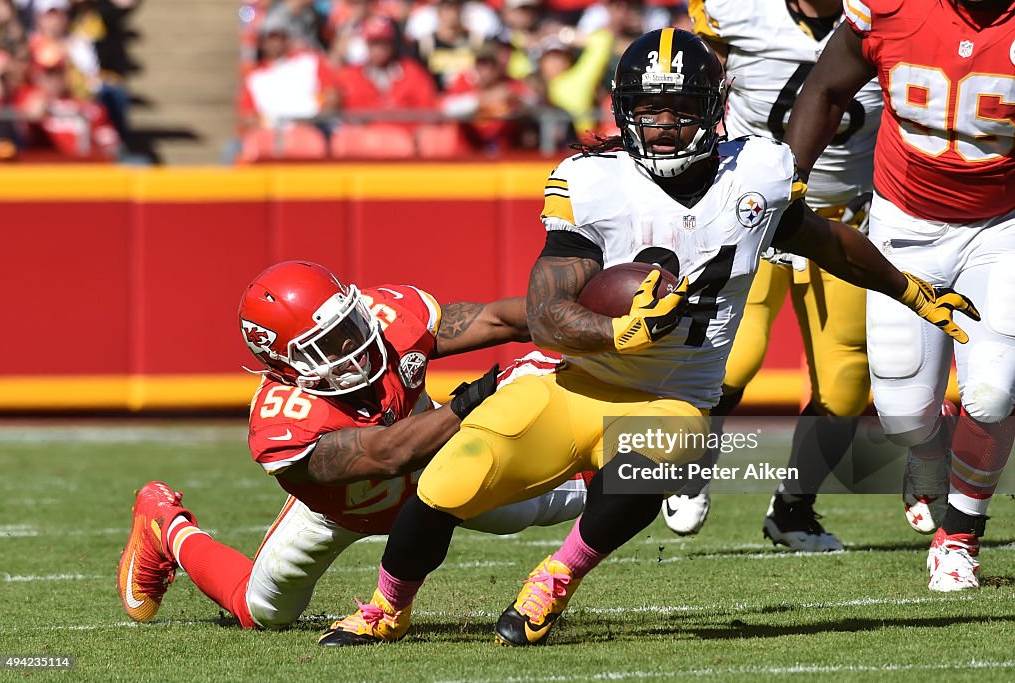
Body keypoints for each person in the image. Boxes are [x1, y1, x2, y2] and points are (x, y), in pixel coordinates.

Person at [316, 28, 979, 647]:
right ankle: (387, 606)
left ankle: (555, 577)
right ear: (624, 110)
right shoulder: (593, 181)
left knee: (663, 453)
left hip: (675, 392)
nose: (663, 124)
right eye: (649, 108)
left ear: (713, 109)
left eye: (680, 107)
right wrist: (616, 329)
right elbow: (548, 312)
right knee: (449, 480)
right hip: (573, 380)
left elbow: (828, 244)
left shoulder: (758, 174)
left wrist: (909, 288)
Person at [117, 260, 588, 629]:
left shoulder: (389, 322)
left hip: (437, 472)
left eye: (349, 327)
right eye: (328, 345)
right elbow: (387, 454)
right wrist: (487, 391)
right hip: (338, 511)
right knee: (260, 610)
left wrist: (581, 321)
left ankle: (652, 462)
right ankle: (165, 526)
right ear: (282, 362)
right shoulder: (285, 420)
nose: (353, 347)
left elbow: (493, 320)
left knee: (551, 500)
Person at [784, 0, 1015, 591]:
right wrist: (790, 182)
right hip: (903, 223)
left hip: (1003, 225)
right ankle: (929, 445)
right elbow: (826, 88)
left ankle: (960, 538)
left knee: (993, 391)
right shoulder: (891, 8)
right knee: (903, 414)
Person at [661, 0, 883, 551]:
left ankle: (793, 510)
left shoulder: (892, 14)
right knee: (735, 355)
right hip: (752, 208)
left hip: (841, 215)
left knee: (846, 382)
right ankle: (685, 465)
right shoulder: (736, 10)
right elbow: (696, 91)